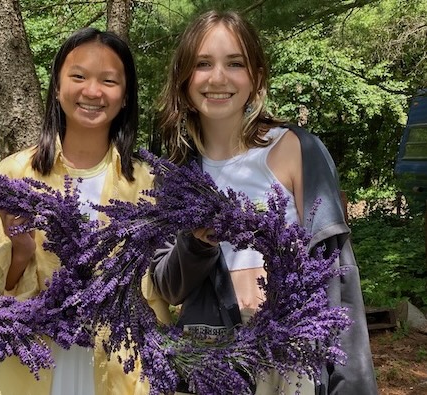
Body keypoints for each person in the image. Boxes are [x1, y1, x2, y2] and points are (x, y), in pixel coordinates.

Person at [150, 10, 378, 395]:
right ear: (185, 79)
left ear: (256, 75)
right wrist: (196, 242)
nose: (218, 78)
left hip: (291, 362)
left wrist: (352, 384)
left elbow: (337, 277)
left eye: (234, 63)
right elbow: (168, 287)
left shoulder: (297, 149)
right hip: (211, 364)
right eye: (203, 63)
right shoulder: (174, 171)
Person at [0, 27, 170, 395]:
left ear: (125, 96)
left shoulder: (149, 182)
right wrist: (21, 252)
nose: (92, 91)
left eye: (108, 81)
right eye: (78, 76)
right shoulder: (14, 175)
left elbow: (166, 280)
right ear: (58, 87)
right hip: (35, 367)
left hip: (125, 367)